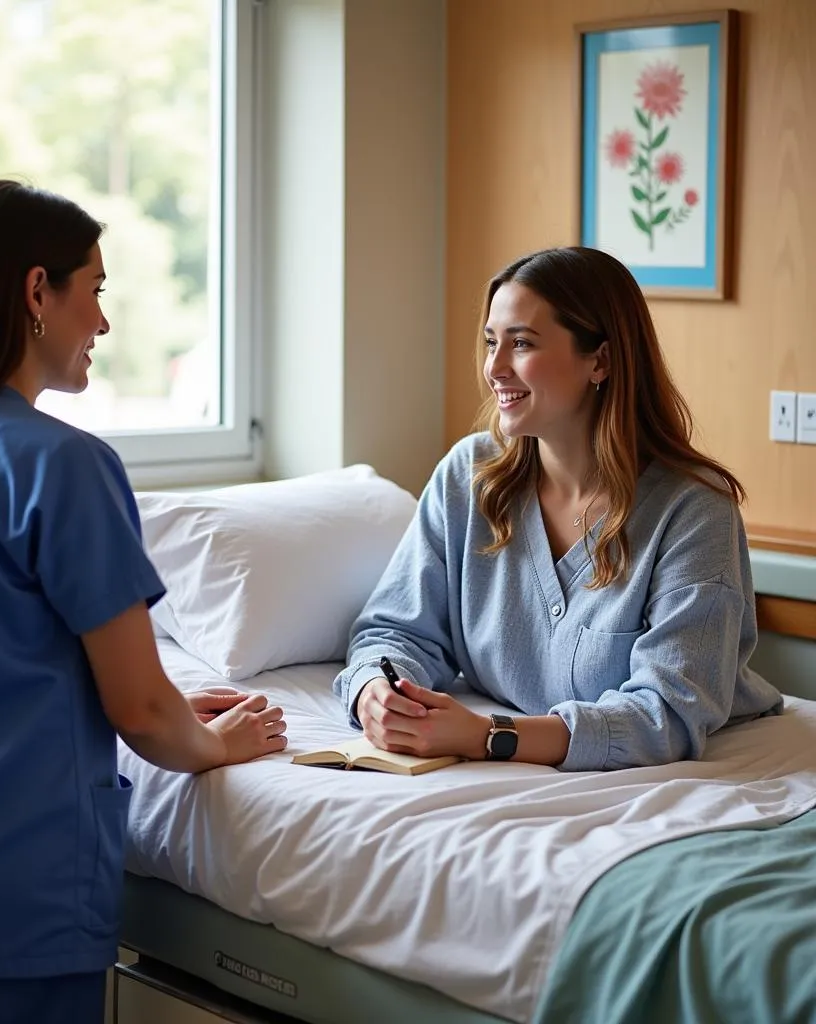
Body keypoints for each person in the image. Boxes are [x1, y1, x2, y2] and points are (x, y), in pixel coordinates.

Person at [0, 179, 288, 1024]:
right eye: (96, 292)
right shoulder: (61, 466)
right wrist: (217, 744)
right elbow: (142, 711)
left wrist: (166, 704)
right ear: (39, 291)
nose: (103, 325)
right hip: (1, 903)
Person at [334, 246, 781, 772]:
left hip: (714, 781)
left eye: (521, 343)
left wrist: (487, 735)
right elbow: (396, 632)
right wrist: (376, 694)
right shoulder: (467, 477)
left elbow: (668, 714)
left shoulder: (693, 511)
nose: (494, 368)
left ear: (602, 360)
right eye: (490, 342)